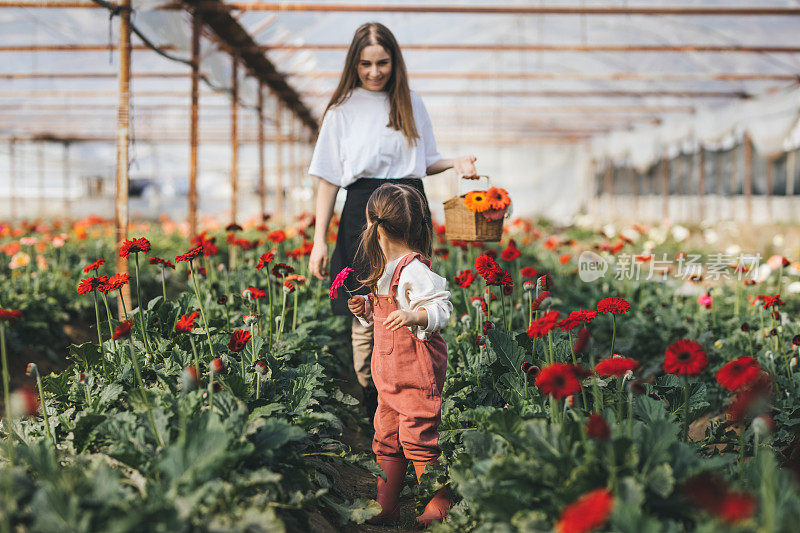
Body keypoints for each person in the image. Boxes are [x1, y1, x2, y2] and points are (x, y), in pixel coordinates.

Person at [307, 21, 477, 423]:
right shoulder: (341, 112)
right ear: (354, 63)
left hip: (407, 205)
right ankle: (373, 392)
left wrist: (455, 162)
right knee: (367, 307)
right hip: (364, 210)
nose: (374, 72)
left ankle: (417, 386)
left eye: (382, 62)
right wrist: (319, 240)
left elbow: (424, 161)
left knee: (412, 294)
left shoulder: (411, 102)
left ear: (394, 61)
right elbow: (328, 179)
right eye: (365, 64)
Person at [347, 183, 453, 525]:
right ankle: (386, 505)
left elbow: (442, 309)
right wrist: (365, 309)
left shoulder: (414, 271)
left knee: (419, 436)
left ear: (372, 224)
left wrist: (415, 315)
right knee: (386, 438)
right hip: (389, 379)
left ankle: (440, 504)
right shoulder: (386, 270)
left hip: (415, 375)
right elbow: (382, 319)